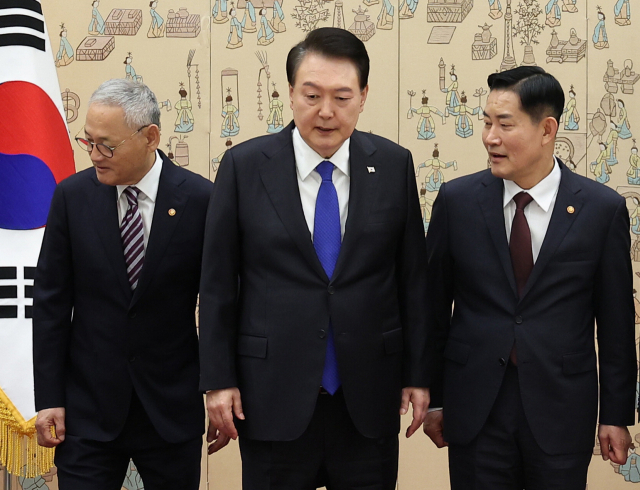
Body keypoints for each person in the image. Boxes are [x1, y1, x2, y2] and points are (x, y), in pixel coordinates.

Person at [199, 27, 430, 489]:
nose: (326, 112)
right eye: (311, 95)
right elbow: (219, 284)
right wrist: (218, 381)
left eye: (342, 97)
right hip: (271, 395)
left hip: (367, 393)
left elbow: (412, 281)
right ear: (290, 93)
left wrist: (419, 375)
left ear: (363, 96)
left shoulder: (393, 165)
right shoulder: (244, 167)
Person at [423, 66, 637, 490]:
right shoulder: (457, 201)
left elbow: (616, 324)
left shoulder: (601, 210)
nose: (490, 138)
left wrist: (615, 415)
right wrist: (435, 398)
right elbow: (432, 310)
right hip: (476, 406)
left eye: (505, 125)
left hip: (562, 408)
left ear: (547, 130)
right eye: (487, 123)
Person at [32, 79, 213, 490]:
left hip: (169, 410)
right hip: (87, 411)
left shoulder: (201, 200)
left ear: (151, 137)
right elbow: (50, 305)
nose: (95, 155)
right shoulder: (72, 197)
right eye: (89, 142)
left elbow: (221, 303)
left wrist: (220, 387)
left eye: (107, 146)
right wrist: (50, 398)